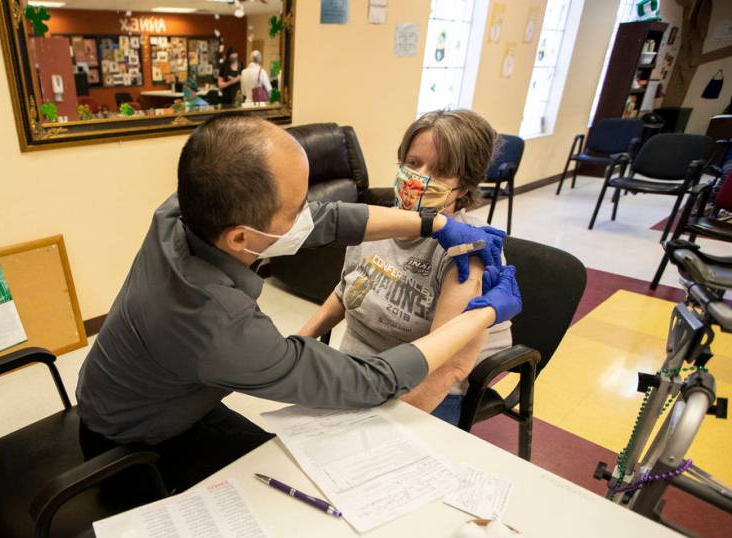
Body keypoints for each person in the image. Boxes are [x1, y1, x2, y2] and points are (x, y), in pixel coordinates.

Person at [76, 114, 520, 493]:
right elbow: (369, 380)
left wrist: (430, 223)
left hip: (120, 390)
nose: (307, 215)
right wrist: (486, 310)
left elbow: (324, 221)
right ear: (242, 238)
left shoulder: (182, 210)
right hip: (135, 441)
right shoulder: (222, 325)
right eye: (293, 209)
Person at [297, 110, 512, 427]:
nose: (419, 178)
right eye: (413, 163)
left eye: (439, 171)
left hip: (418, 386)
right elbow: (347, 290)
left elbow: (446, 365)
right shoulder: (377, 222)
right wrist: (300, 341)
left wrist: (379, 426)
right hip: (358, 370)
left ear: (464, 186)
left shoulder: (467, 252)